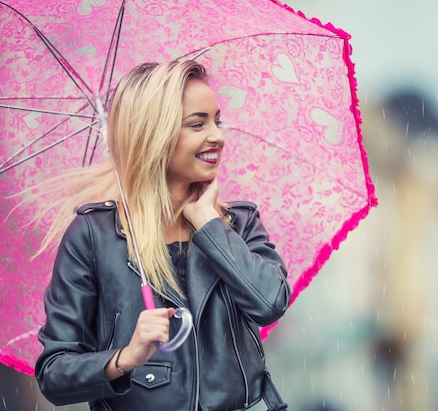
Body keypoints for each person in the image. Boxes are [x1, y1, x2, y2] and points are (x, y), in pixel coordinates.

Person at [33, 60, 291, 411]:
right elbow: (54, 374)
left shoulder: (238, 222)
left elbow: (269, 303)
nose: (217, 135)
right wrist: (125, 357)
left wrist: (209, 225)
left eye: (217, 121)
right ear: (155, 133)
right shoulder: (93, 236)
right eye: (197, 124)